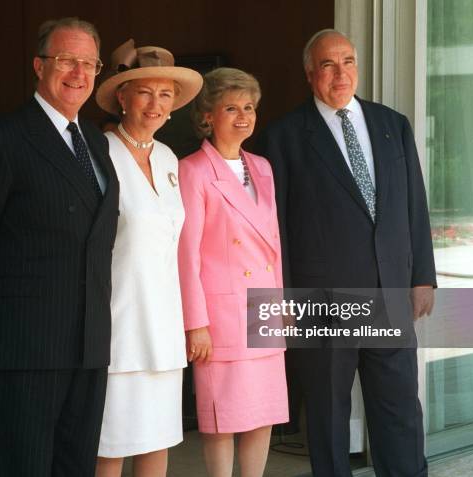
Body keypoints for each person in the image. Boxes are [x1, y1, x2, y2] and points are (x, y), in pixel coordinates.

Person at [255, 29, 437, 476]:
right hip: (322, 300)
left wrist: (422, 276)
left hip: (389, 292)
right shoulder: (282, 138)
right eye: (328, 64)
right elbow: (272, 229)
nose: (341, 73)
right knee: (327, 416)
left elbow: (414, 205)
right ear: (309, 73)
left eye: (348, 61)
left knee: (399, 411)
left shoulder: (393, 125)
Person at [0, 18, 119, 477]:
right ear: (39, 66)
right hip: (24, 344)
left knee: (76, 466)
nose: (78, 72)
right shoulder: (4, 138)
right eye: (67, 60)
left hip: (88, 343)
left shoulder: (98, 145)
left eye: (89, 63)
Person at [93, 39, 202, 477]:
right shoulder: (100, 154)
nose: (155, 104)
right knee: (110, 445)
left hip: (163, 329)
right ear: (122, 97)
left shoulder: (168, 157)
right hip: (117, 328)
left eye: (165, 94)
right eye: (144, 92)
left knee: (158, 443)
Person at [178, 67, 289, 477]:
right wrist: (196, 324)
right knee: (222, 417)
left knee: (263, 412)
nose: (243, 116)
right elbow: (186, 255)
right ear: (207, 116)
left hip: (262, 309)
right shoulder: (192, 170)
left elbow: (273, 244)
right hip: (220, 317)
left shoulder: (262, 166)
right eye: (231, 107)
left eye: (249, 107)